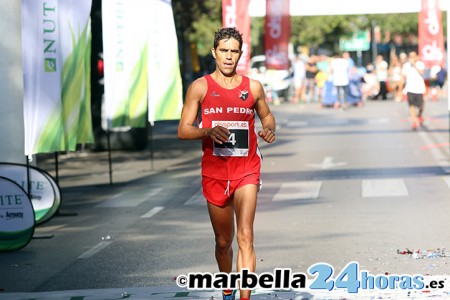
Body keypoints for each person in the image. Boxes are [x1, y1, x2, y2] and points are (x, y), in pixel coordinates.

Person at [177, 27, 276, 300]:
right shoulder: (200, 87)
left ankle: (245, 297)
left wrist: (268, 129)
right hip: (215, 172)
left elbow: (268, 117)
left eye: (234, 51)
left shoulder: (252, 87)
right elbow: (183, 130)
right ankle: (227, 288)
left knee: (246, 235)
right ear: (214, 53)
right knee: (224, 242)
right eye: (224, 51)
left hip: (247, 170)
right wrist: (207, 131)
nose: (229, 56)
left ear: (240, 54)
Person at [401, 51, 426, 129]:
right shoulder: (406, 65)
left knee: (421, 105)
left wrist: (414, 65)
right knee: (411, 106)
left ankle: (419, 115)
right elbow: (403, 77)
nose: (412, 58)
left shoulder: (420, 64)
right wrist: (400, 89)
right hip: (410, 88)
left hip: (419, 88)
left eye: (413, 56)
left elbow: (422, 72)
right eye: (410, 56)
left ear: (416, 57)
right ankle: (414, 122)